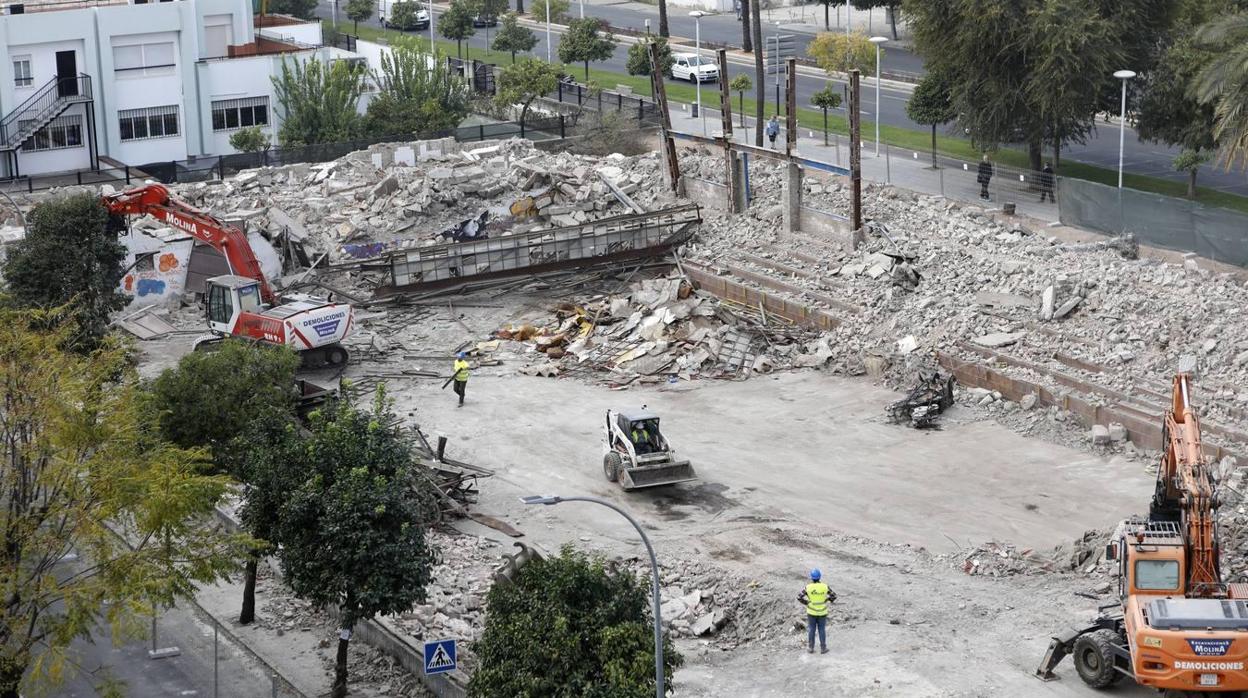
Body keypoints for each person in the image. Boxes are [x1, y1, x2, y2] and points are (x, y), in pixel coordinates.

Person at [797, 568, 834, 654]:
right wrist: (827, 600)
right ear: (819, 577)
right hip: (822, 612)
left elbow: (799, 597)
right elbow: (834, 596)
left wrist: (807, 602)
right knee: (821, 629)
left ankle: (811, 648)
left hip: (811, 612)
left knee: (811, 629)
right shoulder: (825, 587)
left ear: (812, 578)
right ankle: (823, 648)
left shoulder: (808, 587)